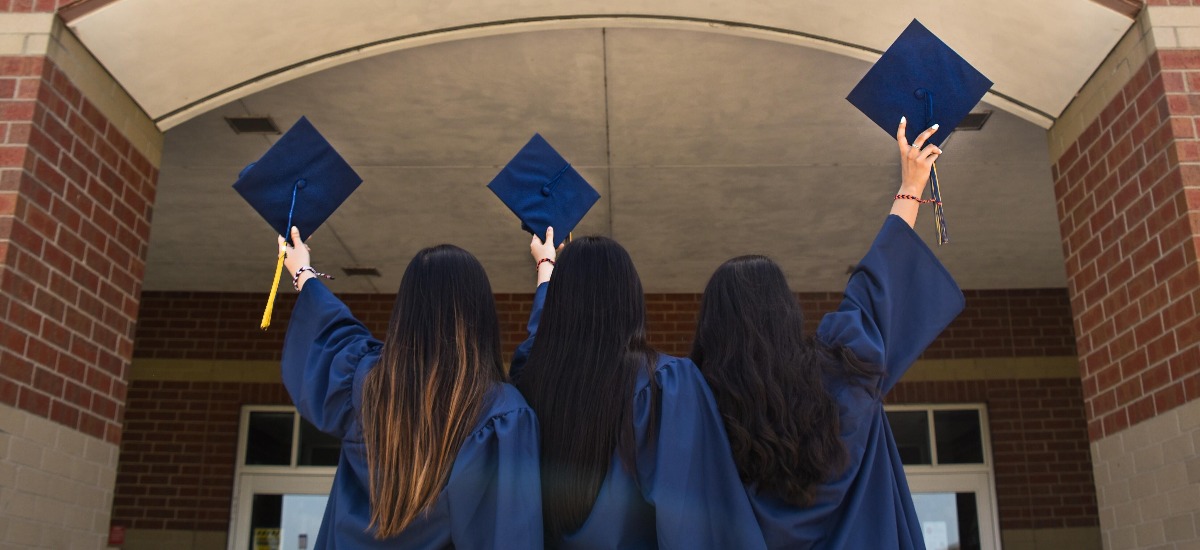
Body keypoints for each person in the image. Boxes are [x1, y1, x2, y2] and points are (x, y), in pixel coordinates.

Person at [689, 119, 965, 549]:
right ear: (786, 313)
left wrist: (552, 272)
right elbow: (878, 286)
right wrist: (911, 184)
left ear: (712, 330)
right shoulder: (844, 371)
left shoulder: (696, 412)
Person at [278, 228, 543, 549]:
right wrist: (546, 272)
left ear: (406, 312)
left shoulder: (365, 385)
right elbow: (509, 534)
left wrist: (303, 272)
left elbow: (330, 332)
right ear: (481, 316)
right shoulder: (498, 413)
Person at [513, 228, 767, 549]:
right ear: (630, 298)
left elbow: (538, 337)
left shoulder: (530, 379)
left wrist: (547, 267)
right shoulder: (664, 384)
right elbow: (690, 520)